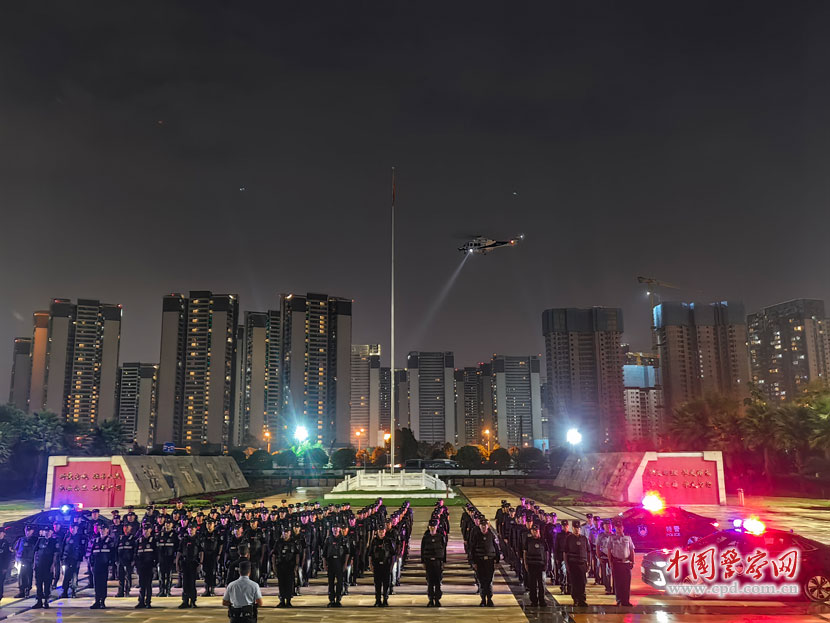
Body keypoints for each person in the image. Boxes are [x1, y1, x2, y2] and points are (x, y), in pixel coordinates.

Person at [469, 517, 500, 607]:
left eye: (485, 526)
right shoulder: (476, 536)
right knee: (482, 581)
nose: (483, 527)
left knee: (489, 581)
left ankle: (489, 599)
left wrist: (497, 561)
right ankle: (483, 599)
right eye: (482, 526)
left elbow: (496, 549)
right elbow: (472, 550)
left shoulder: (491, 535)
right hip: (480, 561)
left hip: (489, 561)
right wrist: (473, 562)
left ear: (487, 526)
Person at [421, 518, 446, 607]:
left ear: (436, 527)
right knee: (430, 582)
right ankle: (431, 599)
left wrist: (444, 562)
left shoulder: (440, 537)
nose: (432, 528)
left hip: (437, 562)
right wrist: (423, 561)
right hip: (428, 562)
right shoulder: (426, 537)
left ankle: (437, 599)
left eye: (434, 527)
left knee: (438, 582)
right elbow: (422, 550)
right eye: (431, 527)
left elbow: (444, 550)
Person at [322, 523, 349, 607]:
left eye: (337, 528)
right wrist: (324, 564)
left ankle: (338, 599)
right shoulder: (328, 539)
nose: (335, 530)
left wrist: (345, 564)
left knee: (340, 582)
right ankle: (331, 600)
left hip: (340, 563)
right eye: (334, 528)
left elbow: (347, 553)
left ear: (340, 529)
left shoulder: (343, 539)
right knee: (331, 582)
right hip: (331, 563)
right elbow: (324, 554)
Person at [32, 526, 59, 609]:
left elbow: (55, 554)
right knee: (39, 583)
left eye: (48, 531)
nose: (47, 533)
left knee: (47, 583)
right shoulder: (40, 540)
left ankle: (46, 601)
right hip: (39, 565)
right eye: (45, 531)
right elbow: (35, 552)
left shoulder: (54, 541)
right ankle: (39, 601)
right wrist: (34, 564)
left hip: (48, 565)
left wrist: (53, 565)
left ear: (51, 532)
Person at [609, 520, 634, 607]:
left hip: (626, 562)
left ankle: (626, 601)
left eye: (620, 527)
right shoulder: (611, 538)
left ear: (623, 528)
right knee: (618, 583)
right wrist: (610, 562)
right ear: (615, 528)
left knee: (626, 583)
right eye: (617, 527)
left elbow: (631, 550)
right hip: (617, 562)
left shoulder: (628, 538)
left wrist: (632, 561)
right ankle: (619, 600)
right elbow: (609, 550)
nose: (619, 529)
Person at [177, 525, 203, 609]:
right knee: (185, 583)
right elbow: (179, 552)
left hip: (193, 563)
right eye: (189, 528)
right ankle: (185, 601)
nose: (191, 530)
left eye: (192, 528)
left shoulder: (198, 540)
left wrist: (200, 563)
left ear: (195, 529)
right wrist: (177, 563)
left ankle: (193, 601)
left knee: (192, 583)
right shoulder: (184, 539)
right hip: (185, 563)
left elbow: (201, 552)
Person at [90, 525, 115, 609]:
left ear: (107, 530)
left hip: (105, 565)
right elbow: (91, 554)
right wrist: (91, 564)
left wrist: (111, 565)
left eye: (104, 529)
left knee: (103, 584)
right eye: (101, 529)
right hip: (97, 566)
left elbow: (112, 554)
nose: (102, 531)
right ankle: (97, 601)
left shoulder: (110, 541)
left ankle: (102, 601)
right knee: (96, 584)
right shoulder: (96, 541)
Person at [272, 527, 298, 608]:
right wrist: (273, 565)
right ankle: (282, 600)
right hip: (280, 565)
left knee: (289, 584)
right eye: (284, 532)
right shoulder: (278, 542)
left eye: (287, 532)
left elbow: (297, 554)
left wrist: (296, 565)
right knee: (281, 584)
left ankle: (288, 601)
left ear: (290, 533)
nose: (285, 534)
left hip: (290, 566)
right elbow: (274, 554)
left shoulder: (293, 542)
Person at [369, 525, 394, 607]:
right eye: (380, 531)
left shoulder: (388, 541)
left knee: (386, 584)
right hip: (377, 565)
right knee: (377, 584)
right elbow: (370, 554)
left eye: (382, 531)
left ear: (385, 531)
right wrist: (370, 564)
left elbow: (392, 554)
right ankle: (378, 600)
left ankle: (385, 600)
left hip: (386, 565)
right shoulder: (374, 541)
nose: (381, 533)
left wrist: (391, 566)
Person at [565, 520, 589, 607]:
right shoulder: (569, 538)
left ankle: (582, 599)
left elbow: (588, 551)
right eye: (575, 528)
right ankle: (575, 599)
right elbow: (565, 552)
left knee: (582, 582)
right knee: (574, 583)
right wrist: (567, 565)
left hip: (582, 563)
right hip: (573, 564)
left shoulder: (584, 538)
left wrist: (588, 563)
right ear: (572, 528)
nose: (577, 530)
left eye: (578, 528)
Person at [523, 523, 547, 607]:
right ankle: (533, 600)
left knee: (541, 584)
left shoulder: (543, 540)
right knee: (532, 584)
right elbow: (525, 552)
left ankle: (542, 600)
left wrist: (546, 564)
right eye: (533, 530)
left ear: (539, 531)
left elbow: (546, 552)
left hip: (540, 565)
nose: (535, 532)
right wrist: (525, 563)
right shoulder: (528, 540)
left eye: (536, 530)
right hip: (531, 565)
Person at [60, 524, 86, 598]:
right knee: (66, 576)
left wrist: (80, 559)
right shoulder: (67, 536)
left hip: (75, 559)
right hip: (67, 559)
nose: (73, 529)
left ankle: (73, 591)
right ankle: (65, 591)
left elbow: (82, 549)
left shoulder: (79, 537)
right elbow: (63, 547)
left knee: (74, 575)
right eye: (72, 528)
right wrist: (62, 558)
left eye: (74, 528)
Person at [134, 525, 157, 609]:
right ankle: (141, 601)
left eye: (147, 529)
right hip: (141, 566)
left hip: (149, 565)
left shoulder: (153, 541)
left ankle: (148, 602)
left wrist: (154, 566)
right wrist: (136, 564)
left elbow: (156, 554)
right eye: (144, 529)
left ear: (150, 530)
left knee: (148, 585)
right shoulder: (139, 541)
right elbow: (135, 554)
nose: (146, 531)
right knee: (141, 584)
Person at [14, 525, 37, 598]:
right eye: (26, 530)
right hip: (21, 560)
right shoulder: (21, 539)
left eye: (29, 530)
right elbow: (16, 550)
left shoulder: (34, 540)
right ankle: (21, 591)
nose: (27, 532)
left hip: (29, 561)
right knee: (21, 576)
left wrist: (34, 561)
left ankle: (27, 590)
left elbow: (36, 551)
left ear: (32, 531)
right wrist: (16, 559)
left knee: (28, 576)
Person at [0, 528, 12, 606]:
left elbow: (8, 556)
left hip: (1, 566)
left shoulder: (5, 543)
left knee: (0, 582)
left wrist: (5, 567)